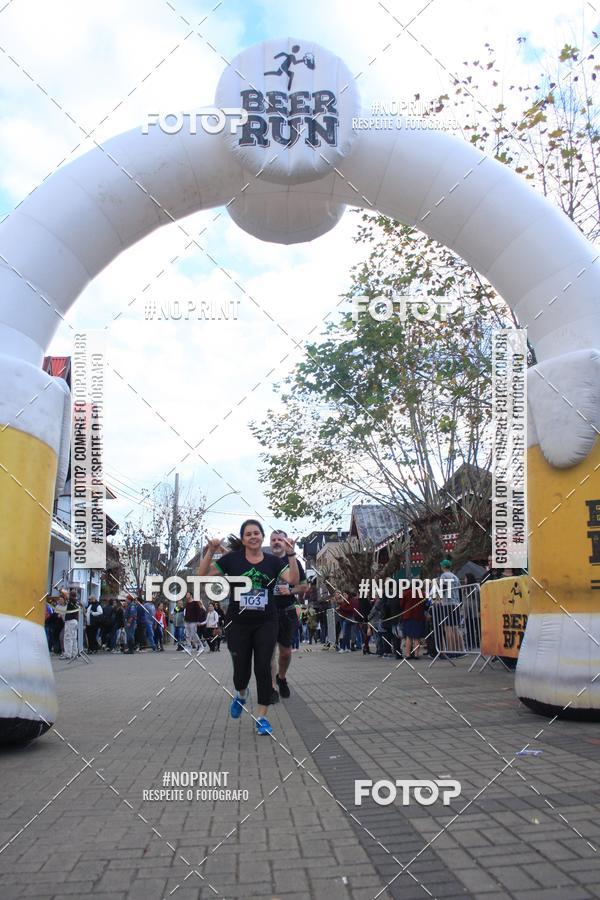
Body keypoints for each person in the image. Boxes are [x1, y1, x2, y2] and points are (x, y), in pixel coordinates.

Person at [199, 519, 299, 736]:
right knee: (241, 670)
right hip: (238, 622)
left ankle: (262, 717)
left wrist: (291, 554)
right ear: (243, 539)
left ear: (262, 537)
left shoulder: (273, 562)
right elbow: (202, 576)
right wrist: (210, 550)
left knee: (263, 666)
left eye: (256, 533)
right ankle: (241, 694)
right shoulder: (232, 560)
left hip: (266, 621)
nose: (253, 537)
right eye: (248, 534)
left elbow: (293, 579)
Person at [269, 529, 308, 702]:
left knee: (285, 653)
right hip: (268, 613)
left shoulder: (294, 562)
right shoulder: (265, 561)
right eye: (273, 540)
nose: (277, 542)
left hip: (287, 611)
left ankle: (281, 678)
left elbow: (304, 587)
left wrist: (290, 591)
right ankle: (271, 688)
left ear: (286, 543)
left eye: (280, 540)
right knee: (269, 653)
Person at [62, 590, 80, 659]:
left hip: (70, 621)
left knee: (68, 637)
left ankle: (68, 654)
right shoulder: (76, 602)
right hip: (75, 620)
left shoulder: (71, 601)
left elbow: (65, 595)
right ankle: (74, 653)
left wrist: (58, 589)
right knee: (74, 638)